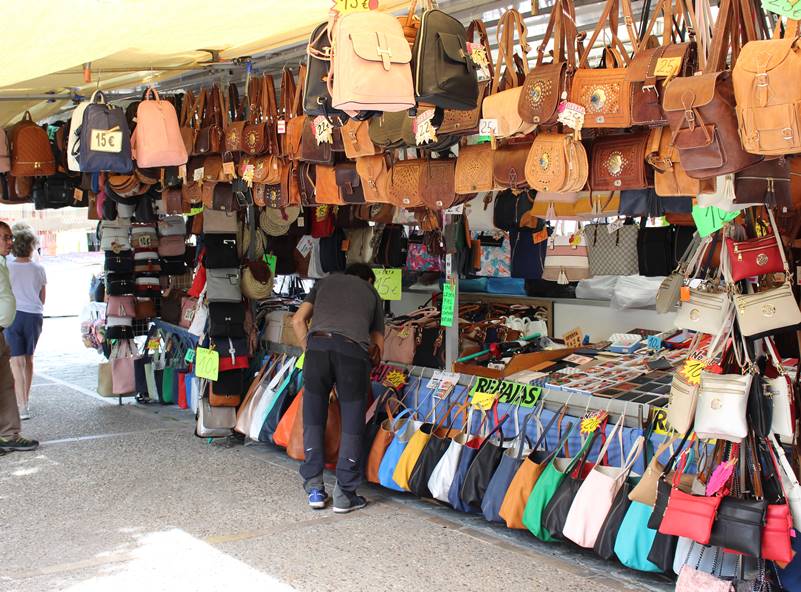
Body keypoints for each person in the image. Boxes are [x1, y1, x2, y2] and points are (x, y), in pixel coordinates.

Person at [291, 263, 384, 513]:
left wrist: (309, 350)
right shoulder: (371, 293)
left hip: (318, 348)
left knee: (313, 418)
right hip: (353, 354)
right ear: (367, 279)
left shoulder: (324, 282)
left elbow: (298, 320)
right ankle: (344, 493)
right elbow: (377, 344)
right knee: (352, 423)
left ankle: (314, 489)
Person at [0, 221, 38, 453]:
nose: (10, 242)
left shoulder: (5, 263)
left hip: (3, 330)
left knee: (5, 384)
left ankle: (9, 433)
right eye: (4, 238)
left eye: (10, 238)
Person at [7, 226, 46, 420]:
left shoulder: (7, 267)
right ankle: (26, 400)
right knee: (29, 359)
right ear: (31, 246)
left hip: (13, 315)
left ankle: (21, 406)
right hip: (34, 316)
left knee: (16, 360)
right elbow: (42, 297)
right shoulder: (39, 268)